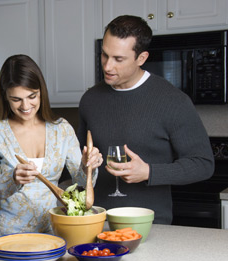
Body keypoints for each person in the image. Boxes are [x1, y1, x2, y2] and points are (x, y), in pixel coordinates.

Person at [78, 15, 214, 225]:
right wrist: (85, 163)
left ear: (141, 58)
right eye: (105, 55)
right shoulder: (90, 100)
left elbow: (203, 164)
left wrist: (149, 172)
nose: (107, 66)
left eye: (118, 59)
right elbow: (79, 162)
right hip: (96, 220)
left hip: (149, 225)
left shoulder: (173, 101)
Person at [0, 54, 103, 239]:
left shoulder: (61, 129)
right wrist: (12, 179)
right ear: (5, 96)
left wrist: (87, 166)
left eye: (32, 96)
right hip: (5, 237)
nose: (25, 106)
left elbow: (83, 186)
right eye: (16, 99)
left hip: (53, 234)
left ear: (41, 91)